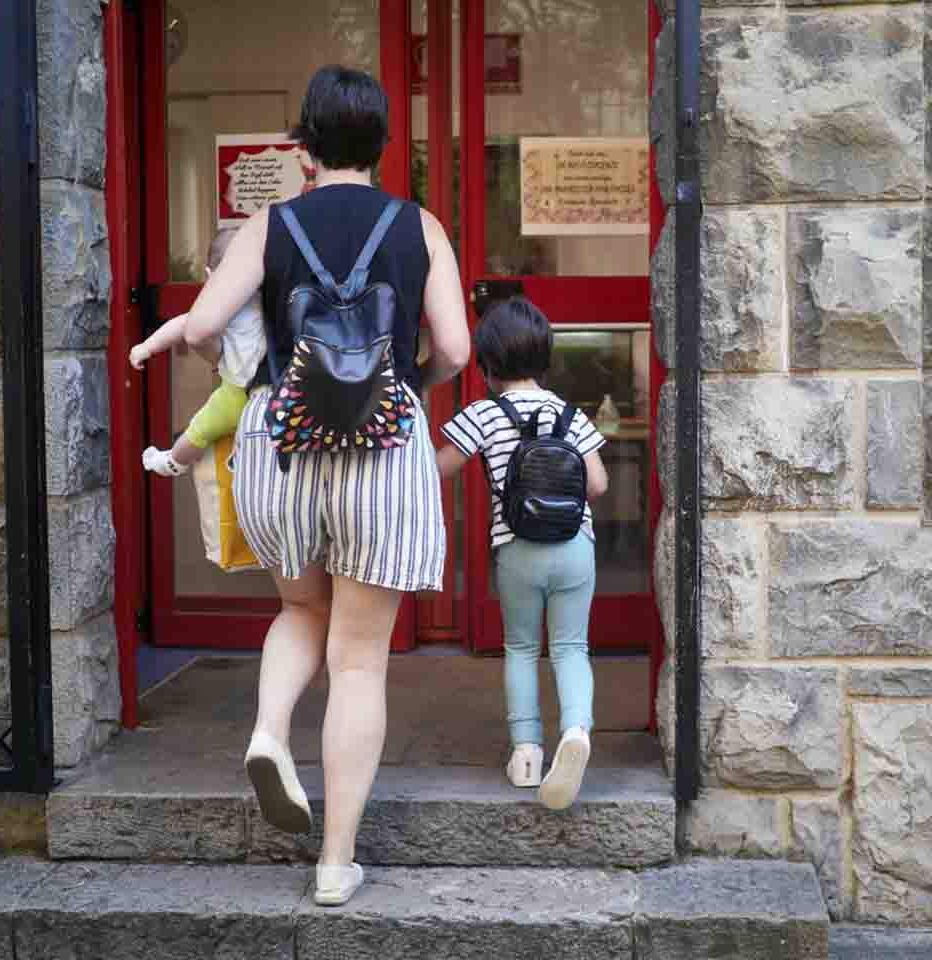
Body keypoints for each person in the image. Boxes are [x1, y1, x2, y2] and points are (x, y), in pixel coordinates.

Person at [178, 66, 470, 906]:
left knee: (300, 610)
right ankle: (336, 862)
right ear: (382, 146)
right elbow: (454, 349)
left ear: (304, 147)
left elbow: (200, 327)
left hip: (282, 446)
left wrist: (253, 374)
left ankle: (270, 732)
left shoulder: (269, 225)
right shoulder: (421, 226)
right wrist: (402, 376)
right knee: (360, 660)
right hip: (384, 448)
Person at [436, 297, 609, 811]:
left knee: (520, 648)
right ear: (544, 356)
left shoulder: (483, 415)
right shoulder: (570, 414)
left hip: (516, 548)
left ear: (488, 363)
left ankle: (527, 752)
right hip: (575, 546)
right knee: (572, 646)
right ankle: (576, 732)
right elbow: (596, 484)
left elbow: (436, 469)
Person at [129, 228, 265, 478]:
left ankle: (173, 461)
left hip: (236, 393)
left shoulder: (221, 305)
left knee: (198, 431)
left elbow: (184, 325)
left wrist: (146, 347)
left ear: (210, 275)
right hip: (274, 391)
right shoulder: (269, 300)